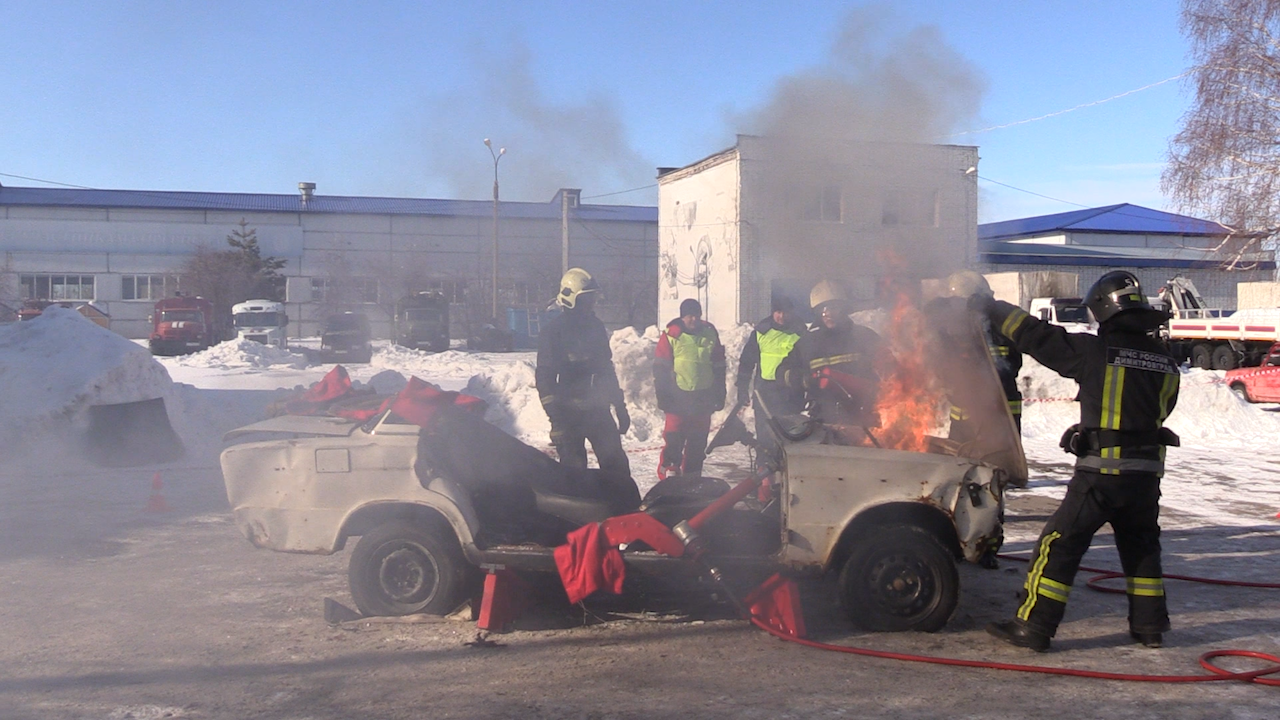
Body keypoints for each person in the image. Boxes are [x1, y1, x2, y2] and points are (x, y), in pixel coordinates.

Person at [972, 270, 1180, 652]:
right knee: (1142, 547)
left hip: (1101, 475)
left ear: (1103, 309)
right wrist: (1090, 430)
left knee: (1059, 543)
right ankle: (1150, 627)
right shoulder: (1166, 363)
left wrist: (992, 308)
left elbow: (1036, 336)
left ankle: (1034, 627)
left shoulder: (1094, 352)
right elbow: (1152, 413)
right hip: (1146, 476)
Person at [536, 268, 632, 483]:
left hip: (598, 411)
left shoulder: (596, 327)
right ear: (571, 298)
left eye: (593, 297)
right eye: (586, 298)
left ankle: (624, 512)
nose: (591, 303)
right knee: (574, 477)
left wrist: (620, 406)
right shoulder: (554, 331)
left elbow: (606, 369)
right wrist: (556, 421)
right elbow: (545, 377)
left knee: (618, 470)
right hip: (568, 415)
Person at [943, 271, 1024, 443]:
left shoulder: (996, 329)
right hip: (973, 420)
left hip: (997, 418)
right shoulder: (957, 330)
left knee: (993, 465)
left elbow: (1008, 367)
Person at [653, 298, 726, 478]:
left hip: (703, 398)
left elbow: (719, 365)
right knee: (673, 440)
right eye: (689, 316)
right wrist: (662, 395)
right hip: (677, 398)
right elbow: (660, 368)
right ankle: (669, 476)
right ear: (682, 317)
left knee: (697, 442)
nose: (693, 320)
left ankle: (693, 478)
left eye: (696, 315)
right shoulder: (671, 334)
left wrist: (720, 391)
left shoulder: (710, 333)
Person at [804, 279, 887, 434]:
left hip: (863, 418)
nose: (828, 313)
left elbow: (891, 369)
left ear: (844, 308)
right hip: (823, 421)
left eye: (833, 308)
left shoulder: (865, 337)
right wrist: (802, 379)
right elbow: (784, 371)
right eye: (823, 309)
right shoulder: (808, 343)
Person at [735, 295, 807, 460]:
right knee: (765, 441)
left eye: (785, 312)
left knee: (789, 442)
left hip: (791, 396)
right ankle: (764, 481)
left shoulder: (800, 333)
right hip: (764, 395)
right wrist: (742, 389)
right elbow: (746, 363)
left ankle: (786, 479)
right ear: (773, 312)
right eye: (778, 312)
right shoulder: (761, 332)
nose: (781, 316)